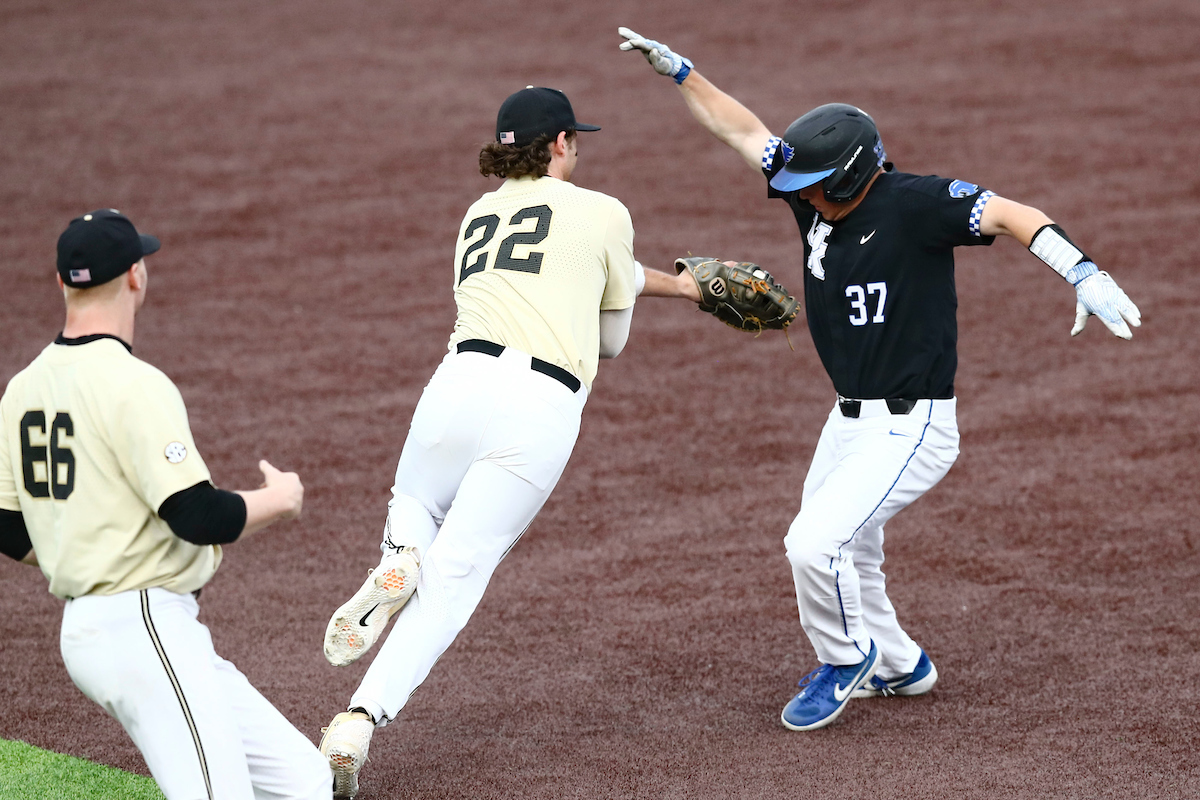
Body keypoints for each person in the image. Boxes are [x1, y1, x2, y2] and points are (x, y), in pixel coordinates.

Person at [617, 28, 1141, 732]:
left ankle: (844, 661)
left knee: (812, 544)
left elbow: (1018, 216)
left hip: (913, 423)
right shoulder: (813, 194)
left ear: (849, 176)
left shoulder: (917, 204)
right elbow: (742, 131)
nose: (794, 196)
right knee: (852, 552)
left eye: (808, 187)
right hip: (849, 420)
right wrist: (681, 72)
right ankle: (899, 665)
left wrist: (1081, 270)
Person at [316, 86, 699, 798]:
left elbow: (560, 267)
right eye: (575, 138)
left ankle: (400, 554)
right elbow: (608, 340)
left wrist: (680, 288)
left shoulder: (477, 213)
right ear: (559, 143)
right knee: (457, 578)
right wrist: (666, 291)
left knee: (414, 498)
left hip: (457, 383)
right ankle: (359, 719)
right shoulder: (606, 211)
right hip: (539, 407)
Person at [0, 209, 332, 799]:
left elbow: (8, 529)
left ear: (62, 283)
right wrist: (277, 500)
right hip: (142, 625)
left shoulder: (22, 389)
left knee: (303, 782)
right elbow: (198, 515)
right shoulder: (133, 383)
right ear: (136, 275)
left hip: (100, 627)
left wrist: (83, 546)